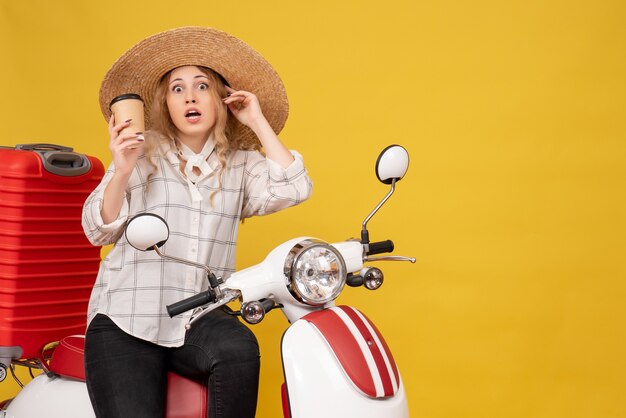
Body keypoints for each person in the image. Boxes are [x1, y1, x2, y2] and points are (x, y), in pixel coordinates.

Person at [81, 26, 313, 418]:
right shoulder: (142, 153)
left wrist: (257, 121)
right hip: (127, 320)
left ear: (222, 100)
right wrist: (121, 170)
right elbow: (96, 229)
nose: (190, 96)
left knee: (239, 349)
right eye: (177, 88)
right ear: (166, 105)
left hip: (198, 319)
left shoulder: (241, 165)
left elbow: (295, 187)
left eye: (202, 86)